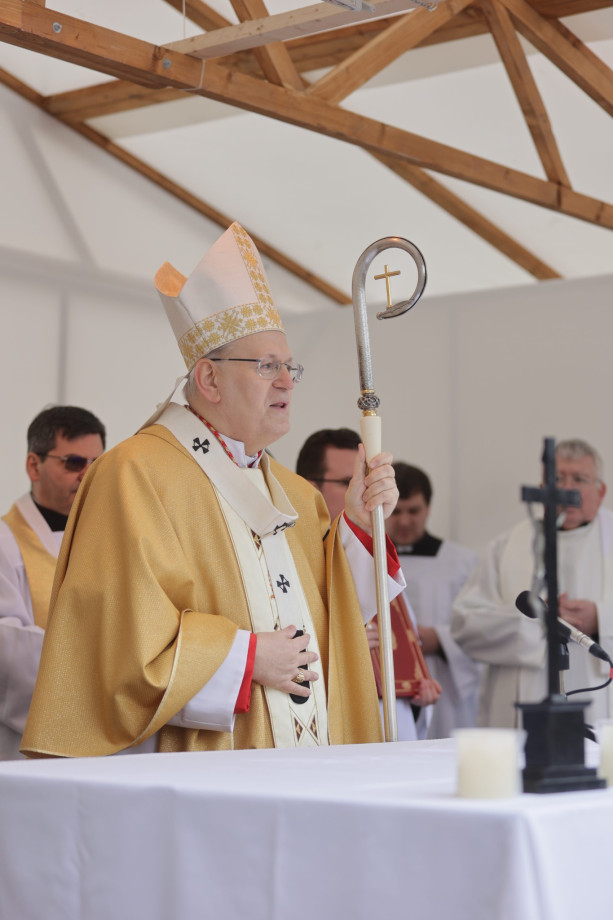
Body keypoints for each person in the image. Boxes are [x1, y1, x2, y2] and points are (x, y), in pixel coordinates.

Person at [22, 223, 402, 758]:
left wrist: (360, 521)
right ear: (208, 380)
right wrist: (245, 659)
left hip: (308, 761)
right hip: (204, 764)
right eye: (267, 366)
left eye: (289, 366)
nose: (287, 381)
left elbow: (335, 620)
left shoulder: (296, 494)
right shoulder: (134, 473)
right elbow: (114, 649)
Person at [451, 438, 613, 729]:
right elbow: (465, 625)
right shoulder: (506, 545)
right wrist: (537, 621)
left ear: (601, 491)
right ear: (542, 489)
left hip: (601, 703)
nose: (567, 489)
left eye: (579, 479)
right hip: (522, 704)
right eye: (558, 479)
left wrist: (601, 619)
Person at [297, 429, 441, 740]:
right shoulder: (296, 557)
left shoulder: (373, 556)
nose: (362, 491)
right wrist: (345, 643)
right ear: (311, 487)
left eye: (366, 480)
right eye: (348, 482)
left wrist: (418, 694)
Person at [0, 406, 106, 760]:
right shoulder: (5, 542)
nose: (87, 475)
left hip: (108, 734)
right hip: (28, 741)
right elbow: (10, 651)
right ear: (34, 465)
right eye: (74, 463)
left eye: (96, 464)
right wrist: (103, 670)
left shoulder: (115, 538)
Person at [385, 463, 480, 738]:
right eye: (396, 511)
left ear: (428, 508)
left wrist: (440, 639)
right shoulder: (366, 559)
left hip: (445, 686)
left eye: (413, 511)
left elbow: (480, 627)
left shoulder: (461, 562)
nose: (404, 521)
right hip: (387, 684)